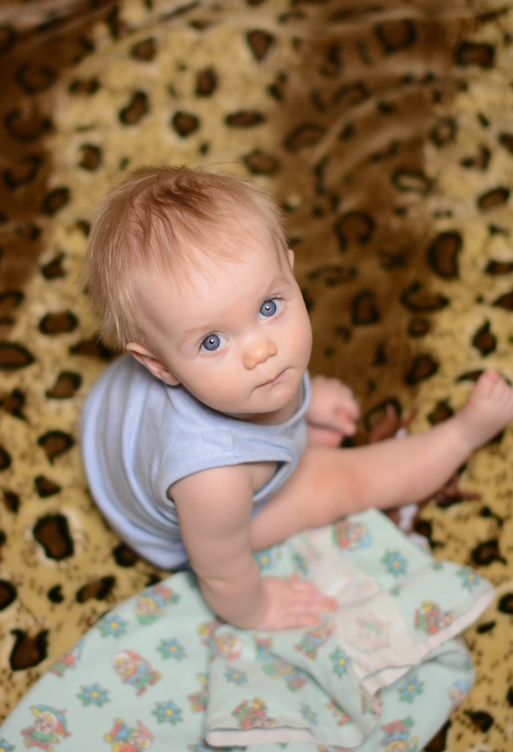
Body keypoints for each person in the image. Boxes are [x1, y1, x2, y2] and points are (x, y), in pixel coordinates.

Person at [80, 166, 513, 632]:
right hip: (190, 531)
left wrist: (304, 402)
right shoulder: (212, 482)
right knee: (344, 481)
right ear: (159, 365)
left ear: (288, 269)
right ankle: (462, 435)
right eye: (212, 341)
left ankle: (282, 428)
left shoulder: (230, 373)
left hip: (112, 418)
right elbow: (222, 571)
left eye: (268, 307)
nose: (262, 351)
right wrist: (259, 609)